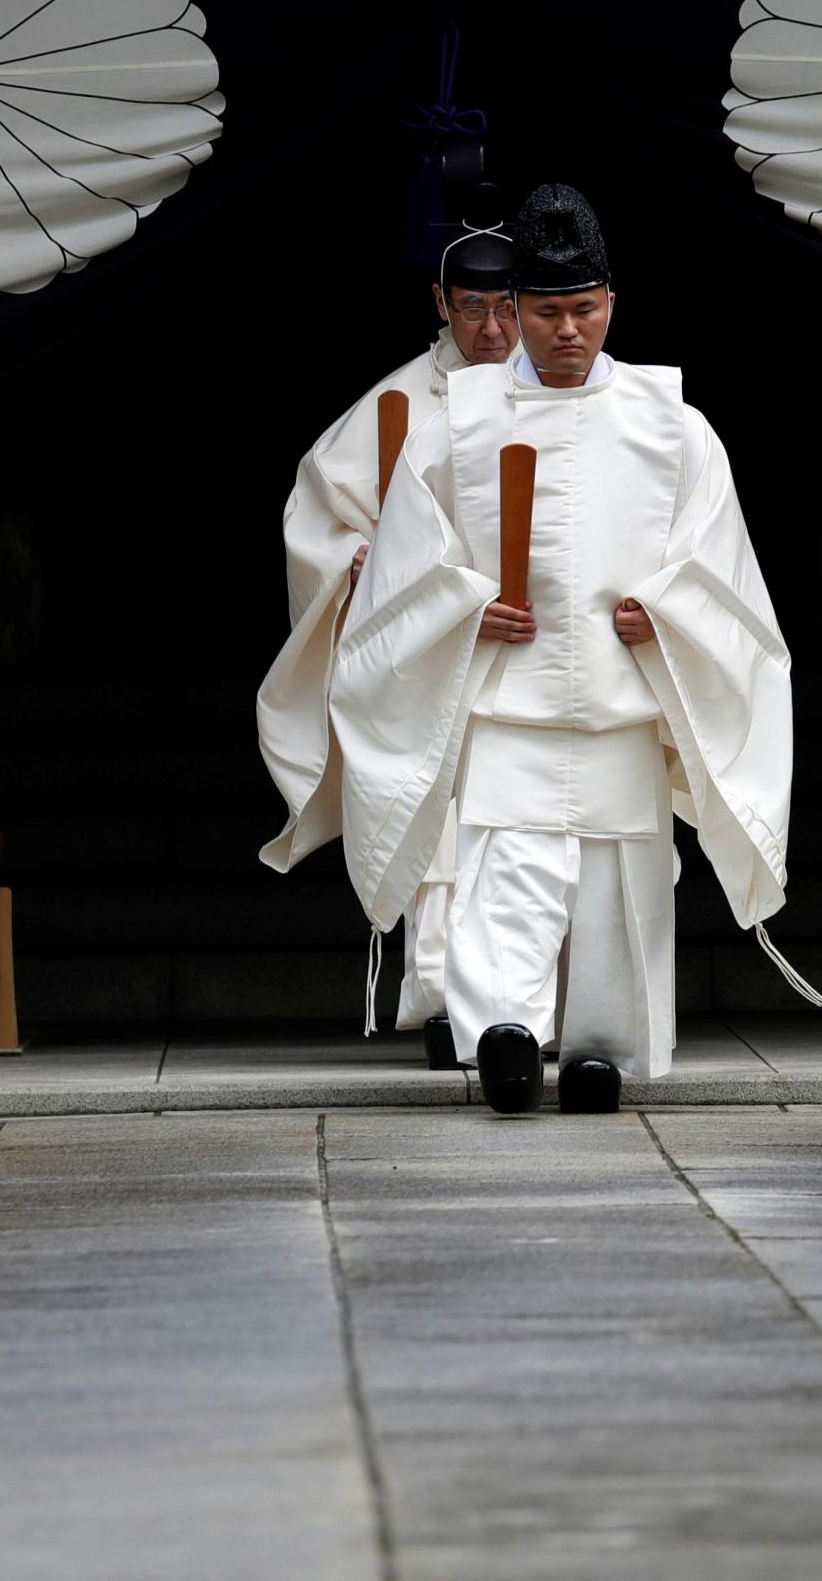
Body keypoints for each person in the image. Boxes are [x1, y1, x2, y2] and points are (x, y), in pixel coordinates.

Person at [332, 184, 808, 1115]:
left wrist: (664, 617)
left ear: (610, 307)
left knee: (613, 885)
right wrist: (468, 608)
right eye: (546, 312)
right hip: (509, 704)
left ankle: (598, 1049)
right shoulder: (461, 420)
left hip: (622, 703)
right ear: (514, 313)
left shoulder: (674, 426)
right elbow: (403, 566)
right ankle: (506, 1032)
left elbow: (722, 572)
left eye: (583, 310)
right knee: (506, 870)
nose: (566, 331)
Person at [257, 199, 519, 1064]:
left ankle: (531, 1006)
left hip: (525, 648)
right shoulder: (400, 402)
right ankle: (449, 1007)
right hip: (436, 654)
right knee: (441, 825)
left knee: (527, 828)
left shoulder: (562, 392)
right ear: (440, 304)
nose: (493, 325)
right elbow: (321, 516)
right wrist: (357, 564)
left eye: (509, 304)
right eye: (474, 307)